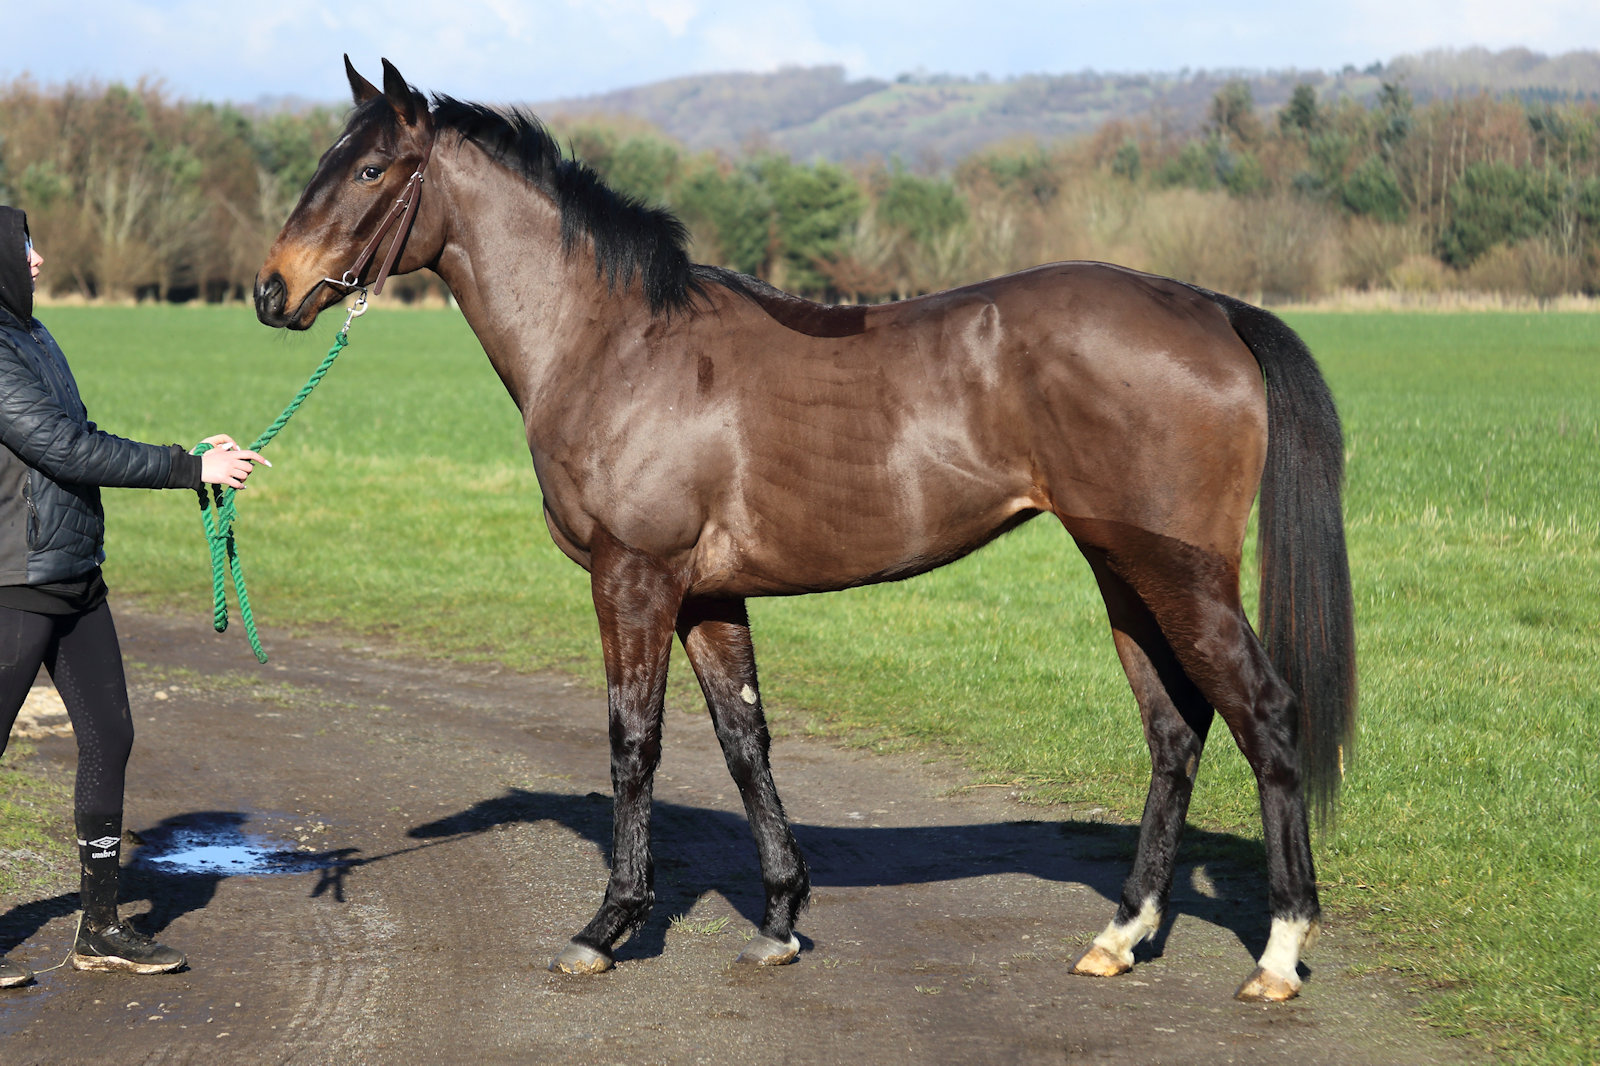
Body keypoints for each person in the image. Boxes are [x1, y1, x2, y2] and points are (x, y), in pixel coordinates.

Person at [0, 206, 265, 987]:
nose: (41, 259)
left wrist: (194, 455)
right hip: (14, 582)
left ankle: (101, 929)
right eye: (25, 248)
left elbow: (78, 435)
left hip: (76, 577)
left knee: (110, 738)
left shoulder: (36, 338)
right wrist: (190, 469)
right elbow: (62, 446)